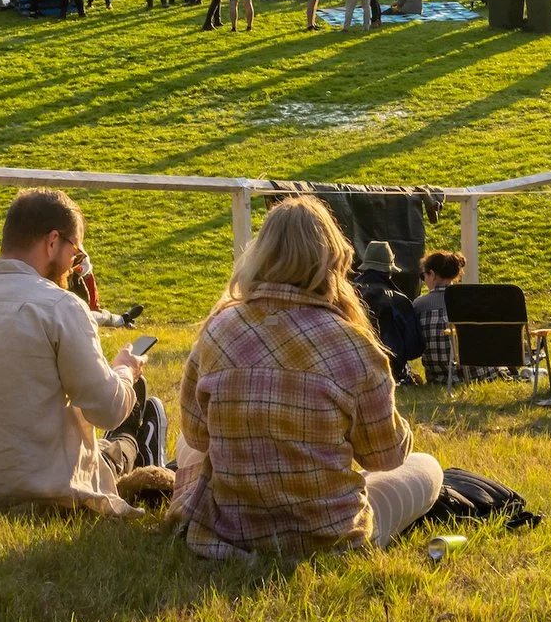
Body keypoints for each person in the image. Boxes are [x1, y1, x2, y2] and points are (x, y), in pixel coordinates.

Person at [171, 194, 445, 556]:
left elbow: (196, 435)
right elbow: (386, 457)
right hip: (327, 534)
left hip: (233, 528)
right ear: (334, 259)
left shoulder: (218, 329)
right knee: (427, 467)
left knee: (182, 445)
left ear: (260, 254)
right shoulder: (354, 343)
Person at [0, 188, 164, 512]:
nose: (73, 266)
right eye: (77, 254)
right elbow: (107, 409)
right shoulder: (59, 306)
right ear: (53, 241)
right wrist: (125, 368)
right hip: (47, 490)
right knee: (123, 423)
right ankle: (138, 445)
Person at [350, 240, 424, 381]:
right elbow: (415, 348)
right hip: (390, 371)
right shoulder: (399, 301)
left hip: (352, 370)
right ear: (389, 271)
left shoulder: (347, 295)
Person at [414, 249, 463, 383]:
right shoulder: (468, 300)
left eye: (423, 275)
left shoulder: (418, 305)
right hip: (476, 373)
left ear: (433, 275)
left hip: (438, 376)